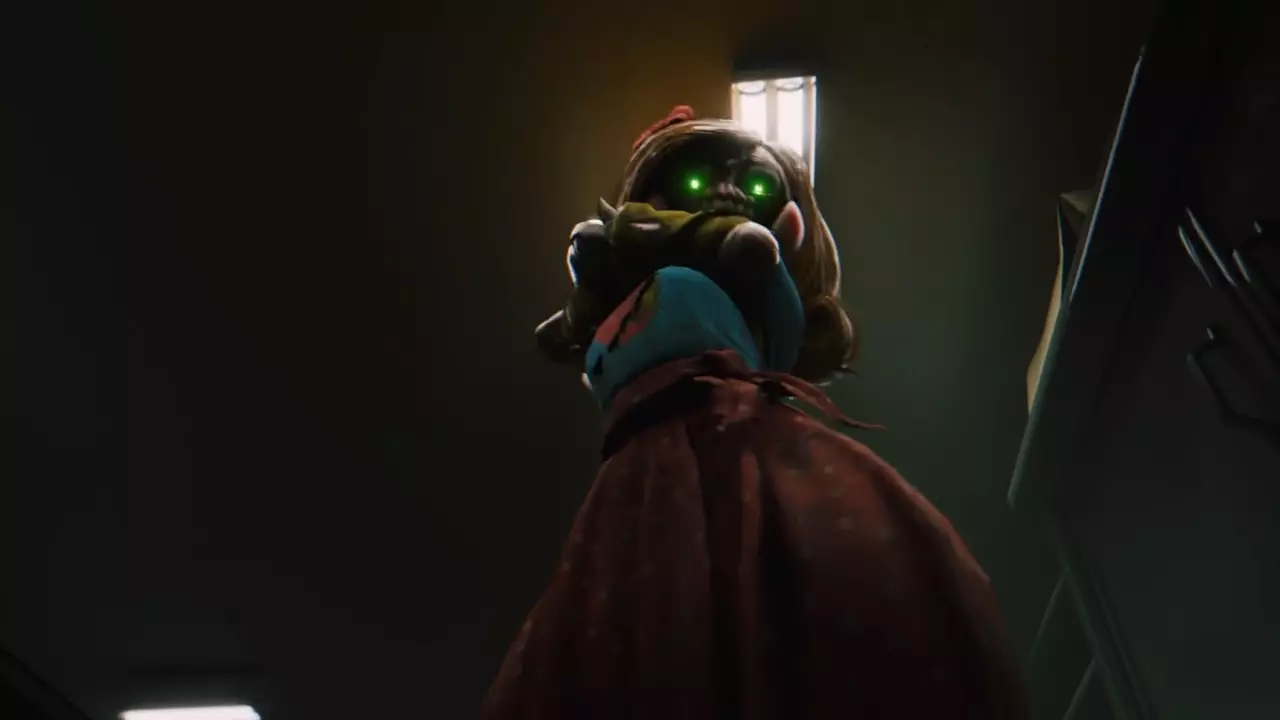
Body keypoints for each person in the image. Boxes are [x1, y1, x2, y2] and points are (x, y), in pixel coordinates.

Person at [483, 106, 1029, 719]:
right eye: (696, 179)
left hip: (741, 438)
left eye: (757, 183)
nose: (725, 191)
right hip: (660, 456)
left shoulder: (762, 285)